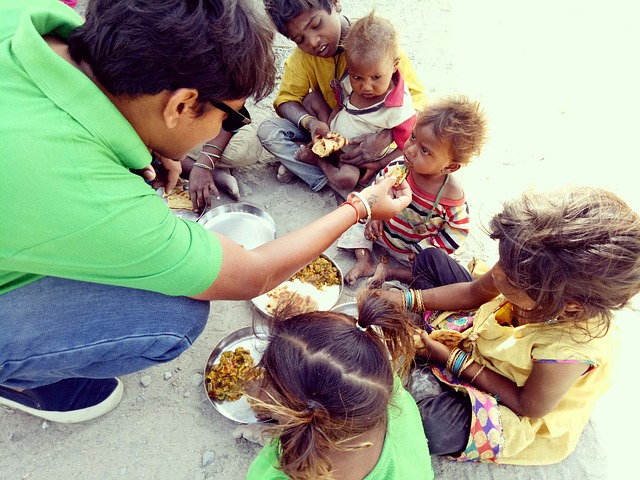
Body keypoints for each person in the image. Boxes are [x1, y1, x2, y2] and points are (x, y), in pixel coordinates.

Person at [0, 0, 411, 424]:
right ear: (181, 105)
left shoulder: (28, 15)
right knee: (174, 317)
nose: (224, 128)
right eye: (229, 114)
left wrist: (139, 144)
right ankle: (14, 375)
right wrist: (361, 204)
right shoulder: (92, 193)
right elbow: (251, 274)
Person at [379, 187, 640, 464]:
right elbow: (474, 292)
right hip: (479, 331)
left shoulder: (568, 350)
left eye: (511, 279)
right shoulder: (524, 269)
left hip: (510, 395)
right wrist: (404, 299)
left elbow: (527, 405)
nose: (498, 273)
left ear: (570, 305)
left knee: (433, 426)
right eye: (502, 261)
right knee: (430, 260)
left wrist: (449, 358)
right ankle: (429, 359)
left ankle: (431, 371)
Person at [245, 290, 434, 479]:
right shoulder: (382, 390)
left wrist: (265, 400)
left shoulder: (278, 474)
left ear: (301, 421)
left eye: (270, 384)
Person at [258, 0, 426, 193]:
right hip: (328, 127)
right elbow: (286, 99)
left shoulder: (377, 45)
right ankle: (334, 180)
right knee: (268, 130)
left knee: (403, 178)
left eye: (316, 25)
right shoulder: (302, 57)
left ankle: (309, 165)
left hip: (364, 144)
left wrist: (386, 137)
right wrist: (312, 123)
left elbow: (418, 103)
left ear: (335, 3)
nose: (312, 42)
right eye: (299, 39)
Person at [338, 96, 487, 287]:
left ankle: (391, 272)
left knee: (428, 270)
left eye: (425, 150)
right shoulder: (399, 166)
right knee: (355, 220)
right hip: (382, 232)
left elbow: (458, 231)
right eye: (413, 137)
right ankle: (364, 261)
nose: (410, 150)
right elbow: (377, 190)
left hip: (409, 251)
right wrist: (375, 217)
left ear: (450, 167)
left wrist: (421, 249)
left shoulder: (451, 197)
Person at [293, 11, 417, 193]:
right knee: (312, 98)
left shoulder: (399, 108)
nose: (366, 86)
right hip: (333, 135)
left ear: (395, 65)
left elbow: (405, 146)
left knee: (347, 180)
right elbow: (340, 105)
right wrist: (325, 132)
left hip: (351, 157)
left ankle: (317, 162)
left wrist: (379, 164)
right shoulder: (351, 80)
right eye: (357, 77)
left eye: (376, 77)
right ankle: (317, 153)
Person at [180, 110, 263, 207]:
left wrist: (204, 165)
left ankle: (207, 163)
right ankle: (216, 174)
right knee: (162, 153)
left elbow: (231, 116)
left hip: (211, 125)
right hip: (172, 134)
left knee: (247, 146)